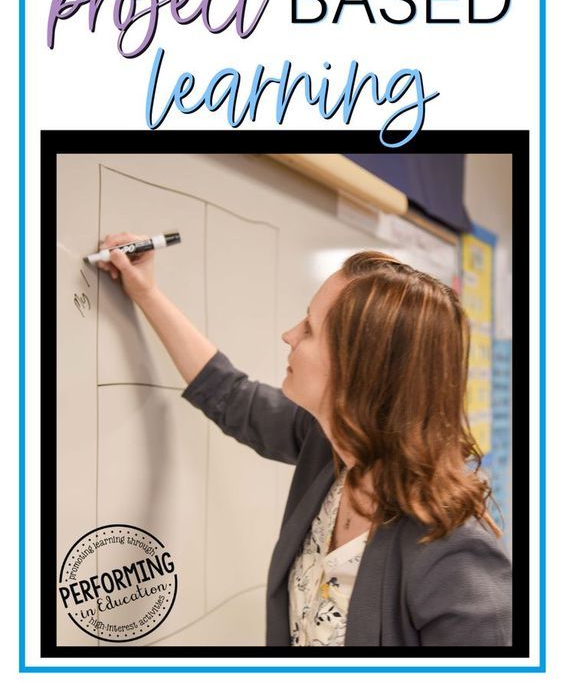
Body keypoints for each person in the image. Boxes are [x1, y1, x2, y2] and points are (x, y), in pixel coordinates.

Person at [98, 233, 512, 648]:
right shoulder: (331, 449)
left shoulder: (454, 553)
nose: (289, 335)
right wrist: (146, 292)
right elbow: (229, 394)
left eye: (310, 329)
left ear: (360, 370)